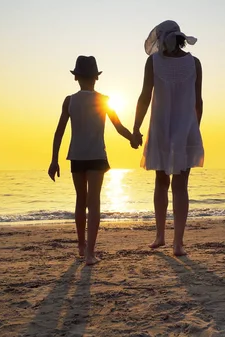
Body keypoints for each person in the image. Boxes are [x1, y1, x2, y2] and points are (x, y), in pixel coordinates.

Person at [49, 55, 139, 265]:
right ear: (96, 78)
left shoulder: (69, 100)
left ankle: (81, 246)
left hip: (77, 156)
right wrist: (133, 139)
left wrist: (54, 160)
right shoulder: (103, 100)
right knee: (94, 203)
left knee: (81, 201)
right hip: (97, 156)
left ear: (76, 78)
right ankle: (90, 253)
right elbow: (118, 127)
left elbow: (59, 132)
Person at [132, 20, 204, 256]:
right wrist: (195, 129)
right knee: (179, 186)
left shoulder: (154, 62)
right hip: (184, 128)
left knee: (162, 183)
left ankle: (163, 236)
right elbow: (198, 102)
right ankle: (176, 242)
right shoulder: (194, 63)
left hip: (162, 126)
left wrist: (136, 127)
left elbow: (144, 97)